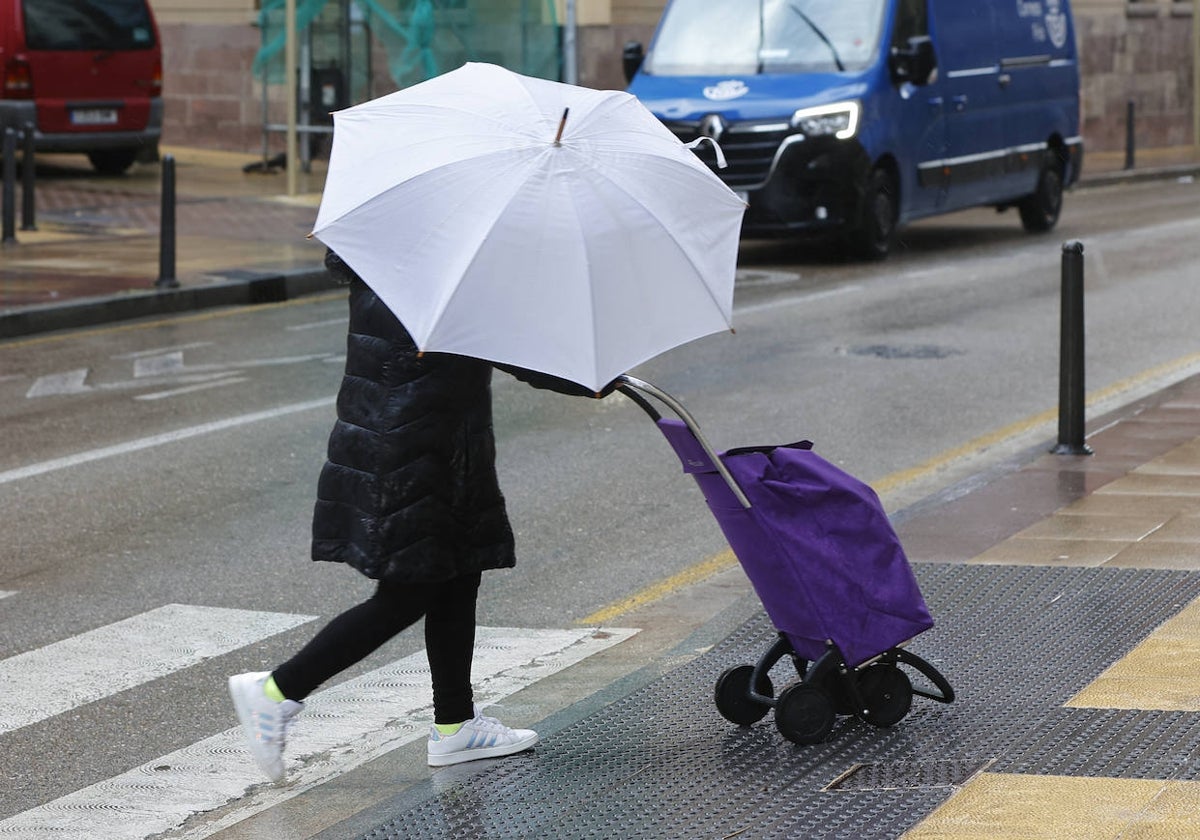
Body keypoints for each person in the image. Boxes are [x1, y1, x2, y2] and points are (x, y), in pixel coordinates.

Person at [229, 250, 613, 782]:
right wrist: (597, 378)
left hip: (423, 439)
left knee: (457, 573)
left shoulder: (394, 251)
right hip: (416, 447)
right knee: (410, 591)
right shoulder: (443, 269)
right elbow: (515, 347)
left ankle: (456, 727)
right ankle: (277, 690)